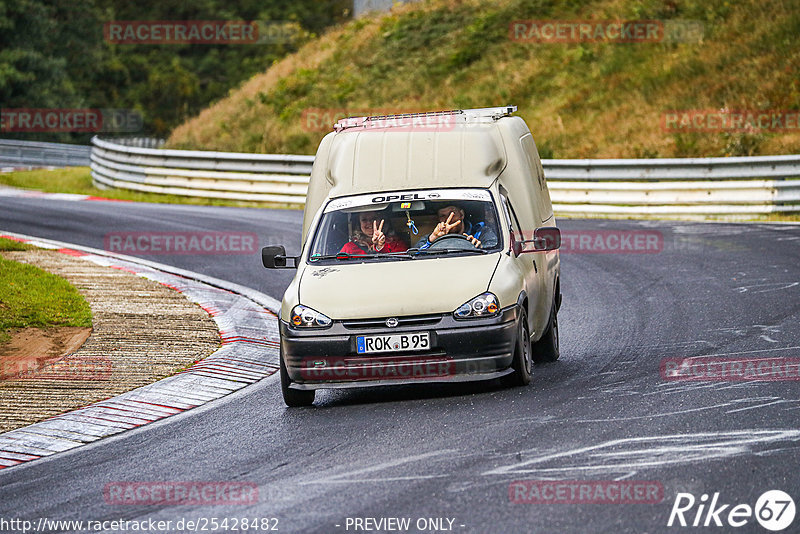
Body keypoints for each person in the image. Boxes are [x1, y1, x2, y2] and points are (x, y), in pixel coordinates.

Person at [416, 204, 498, 250]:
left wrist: (480, 248)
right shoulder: (431, 238)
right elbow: (413, 256)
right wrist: (431, 240)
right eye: (442, 215)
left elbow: (495, 251)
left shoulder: (481, 232)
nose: (448, 219)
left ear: (461, 214)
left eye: (452, 213)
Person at [340, 211, 409, 255]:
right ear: (359, 224)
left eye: (374, 219)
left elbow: (402, 264)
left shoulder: (396, 243)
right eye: (364, 220)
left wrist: (380, 247)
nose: (369, 223)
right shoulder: (349, 247)